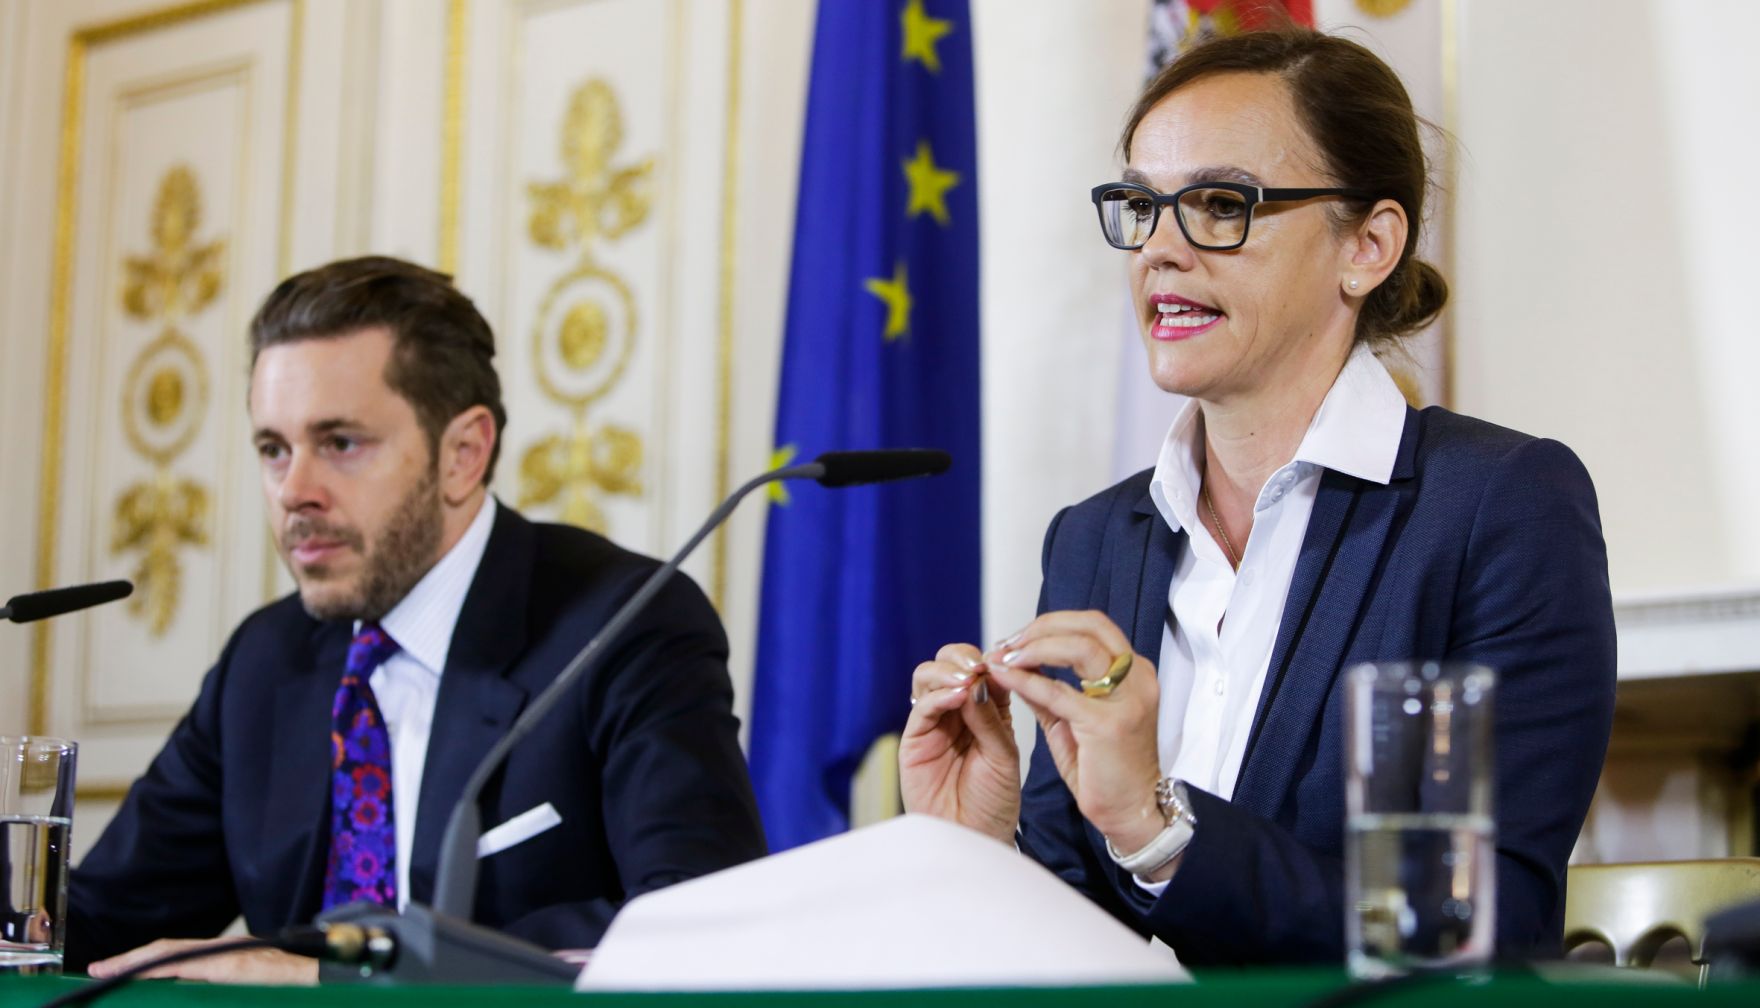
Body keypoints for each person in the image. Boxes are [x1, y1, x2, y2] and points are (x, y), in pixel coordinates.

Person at [900, 29, 1615, 967]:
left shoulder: (1500, 508)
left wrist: (1159, 830)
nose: (1159, 250)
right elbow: (1080, 937)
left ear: (1367, 245)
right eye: (1141, 206)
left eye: (1218, 204)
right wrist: (985, 851)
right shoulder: (1091, 539)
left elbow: (1480, 928)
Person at [65, 256, 767, 982]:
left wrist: (354, 972)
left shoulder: (624, 624)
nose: (294, 491)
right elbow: (94, 919)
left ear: (463, 454)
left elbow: (695, 921)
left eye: (340, 443)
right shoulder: (265, 660)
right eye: (274, 450)